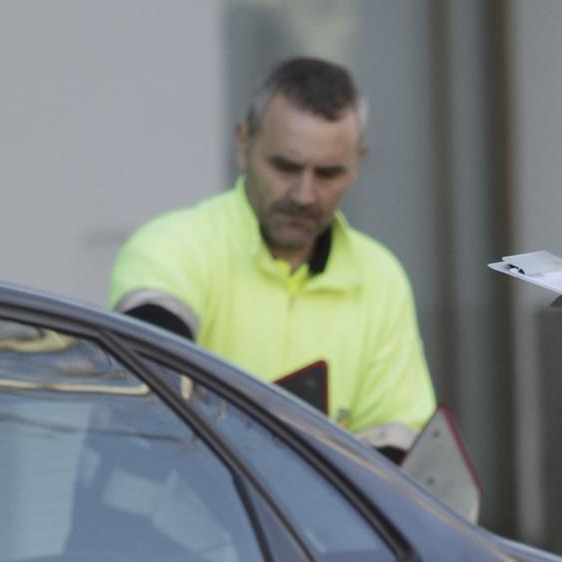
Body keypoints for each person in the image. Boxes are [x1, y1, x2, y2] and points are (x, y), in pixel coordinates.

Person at [111, 56, 436, 461]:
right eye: (285, 166)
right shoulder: (172, 244)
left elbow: (393, 450)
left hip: (299, 524)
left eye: (328, 173)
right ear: (243, 145)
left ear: (358, 164)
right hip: (149, 518)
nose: (304, 195)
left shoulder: (380, 277)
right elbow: (154, 382)